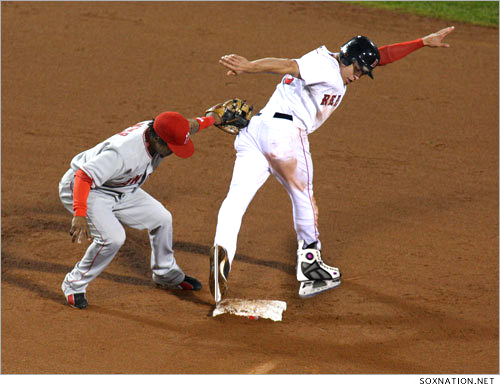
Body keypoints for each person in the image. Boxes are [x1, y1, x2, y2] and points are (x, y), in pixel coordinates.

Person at [209, 26, 455, 300]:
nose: (358, 78)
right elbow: (287, 65)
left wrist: (422, 42)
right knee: (303, 197)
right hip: (285, 135)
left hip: (255, 132)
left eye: (363, 72)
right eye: (358, 71)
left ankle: (223, 253)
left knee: (235, 200)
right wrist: (247, 67)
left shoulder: (337, 61)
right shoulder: (326, 68)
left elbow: (381, 56)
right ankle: (311, 265)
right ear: (347, 59)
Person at [59, 110, 222, 309]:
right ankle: (74, 285)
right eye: (170, 147)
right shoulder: (122, 153)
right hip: (87, 189)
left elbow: (188, 125)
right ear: (156, 139)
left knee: (162, 219)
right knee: (113, 238)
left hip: (119, 187)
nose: (173, 151)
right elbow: (84, 176)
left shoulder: (161, 129)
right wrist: (80, 213)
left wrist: (214, 119)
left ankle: (165, 274)